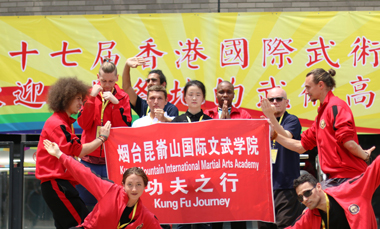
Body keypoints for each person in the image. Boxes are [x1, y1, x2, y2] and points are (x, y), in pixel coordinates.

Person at [273, 68, 375, 187]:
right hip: (337, 179)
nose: (306, 92)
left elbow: (349, 144)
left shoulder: (335, 106)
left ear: (320, 85)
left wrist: (366, 156)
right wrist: (275, 136)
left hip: (348, 178)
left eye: (308, 87)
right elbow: (301, 147)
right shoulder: (322, 113)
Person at [35, 77, 111, 229]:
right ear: (65, 98)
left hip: (60, 184)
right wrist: (102, 138)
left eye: (82, 100)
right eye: (77, 99)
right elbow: (80, 151)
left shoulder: (63, 123)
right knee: (82, 224)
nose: (80, 104)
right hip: (57, 184)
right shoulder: (58, 124)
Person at [43, 140, 162, 229]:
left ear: (145, 186)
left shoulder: (144, 216)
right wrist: (60, 155)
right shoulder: (109, 190)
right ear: (123, 184)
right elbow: (84, 174)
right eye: (130, 184)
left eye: (139, 184)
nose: (134, 189)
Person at [77, 58, 132, 208]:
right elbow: (83, 123)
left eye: (110, 81)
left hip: (112, 162)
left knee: (111, 205)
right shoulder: (89, 95)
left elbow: (124, 129)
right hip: (89, 160)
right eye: (103, 81)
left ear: (116, 79)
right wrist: (90, 99)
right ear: (97, 78)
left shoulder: (122, 97)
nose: (107, 85)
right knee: (87, 204)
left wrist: (116, 105)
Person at [205, 81, 250, 229]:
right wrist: (219, 123)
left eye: (228, 92)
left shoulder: (243, 115)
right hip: (214, 177)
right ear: (215, 94)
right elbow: (202, 140)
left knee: (238, 222)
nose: (225, 95)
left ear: (234, 95)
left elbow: (248, 141)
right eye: (221, 92)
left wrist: (228, 123)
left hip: (236, 176)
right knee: (215, 222)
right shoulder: (206, 114)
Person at [286, 159, 380, 229]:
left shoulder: (351, 190)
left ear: (319, 187)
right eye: (300, 198)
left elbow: (375, 168)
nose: (305, 199)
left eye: (307, 193)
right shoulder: (309, 215)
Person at [258, 88, 302, 229]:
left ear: (286, 102)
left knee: (285, 226)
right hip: (264, 188)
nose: (275, 102)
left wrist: (270, 118)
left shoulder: (291, 120)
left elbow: (286, 136)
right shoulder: (260, 124)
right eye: (271, 99)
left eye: (279, 99)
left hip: (287, 186)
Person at [172, 80, 212, 229]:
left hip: (206, 178)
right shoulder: (176, 122)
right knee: (183, 223)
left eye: (198, 95)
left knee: (204, 223)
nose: (194, 98)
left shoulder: (211, 122)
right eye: (191, 95)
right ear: (184, 98)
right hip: (182, 179)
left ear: (203, 99)